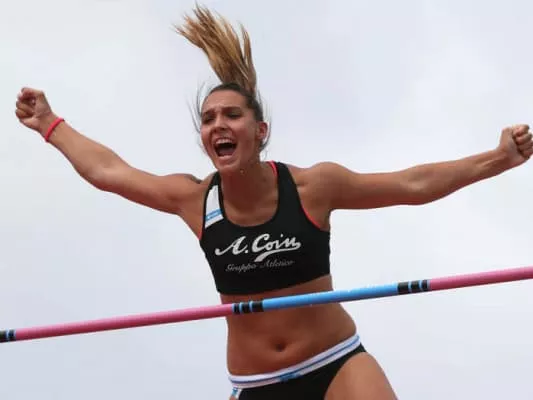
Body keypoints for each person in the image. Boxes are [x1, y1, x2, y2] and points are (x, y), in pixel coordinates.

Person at [14, 5, 532, 400]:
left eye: (231, 115)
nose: (218, 124)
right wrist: (49, 124)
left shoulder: (312, 188)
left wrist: (498, 159)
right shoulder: (196, 201)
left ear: (259, 131)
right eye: (209, 118)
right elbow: (109, 173)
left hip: (336, 363)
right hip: (256, 383)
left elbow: (412, 185)